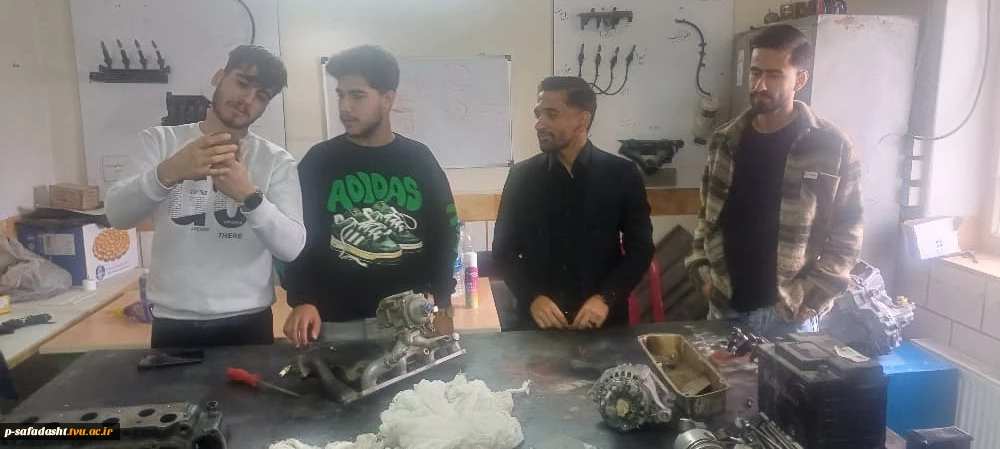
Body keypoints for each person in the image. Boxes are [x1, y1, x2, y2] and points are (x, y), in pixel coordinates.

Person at [105, 45, 305, 349]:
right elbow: (117, 215)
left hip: (249, 321)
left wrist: (249, 196)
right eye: (242, 83)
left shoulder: (276, 161)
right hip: (173, 321)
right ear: (219, 77)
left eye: (262, 96)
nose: (248, 100)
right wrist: (170, 171)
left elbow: (292, 247)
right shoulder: (159, 142)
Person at [685, 24, 863, 337]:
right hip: (724, 306)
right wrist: (703, 272)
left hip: (788, 316)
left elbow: (849, 230)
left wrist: (813, 295)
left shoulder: (831, 146)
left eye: (774, 75)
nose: (760, 85)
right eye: (755, 73)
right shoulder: (726, 140)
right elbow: (706, 215)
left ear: (800, 79)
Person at [281, 45, 459, 347]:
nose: (344, 107)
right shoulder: (319, 162)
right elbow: (293, 235)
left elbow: (446, 232)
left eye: (357, 96)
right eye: (340, 95)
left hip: (409, 323)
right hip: (334, 324)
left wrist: (443, 301)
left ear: (387, 99)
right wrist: (301, 298)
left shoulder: (419, 160)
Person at [492, 76, 654, 331]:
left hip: (603, 323)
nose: (539, 124)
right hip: (536, 325)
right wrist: (532, 297)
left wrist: (606, 298)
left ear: (582, 120)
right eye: (538, 114)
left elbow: (641, 248)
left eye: (551, 114)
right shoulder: (522, 177)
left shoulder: (621, 175)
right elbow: (503, 251)